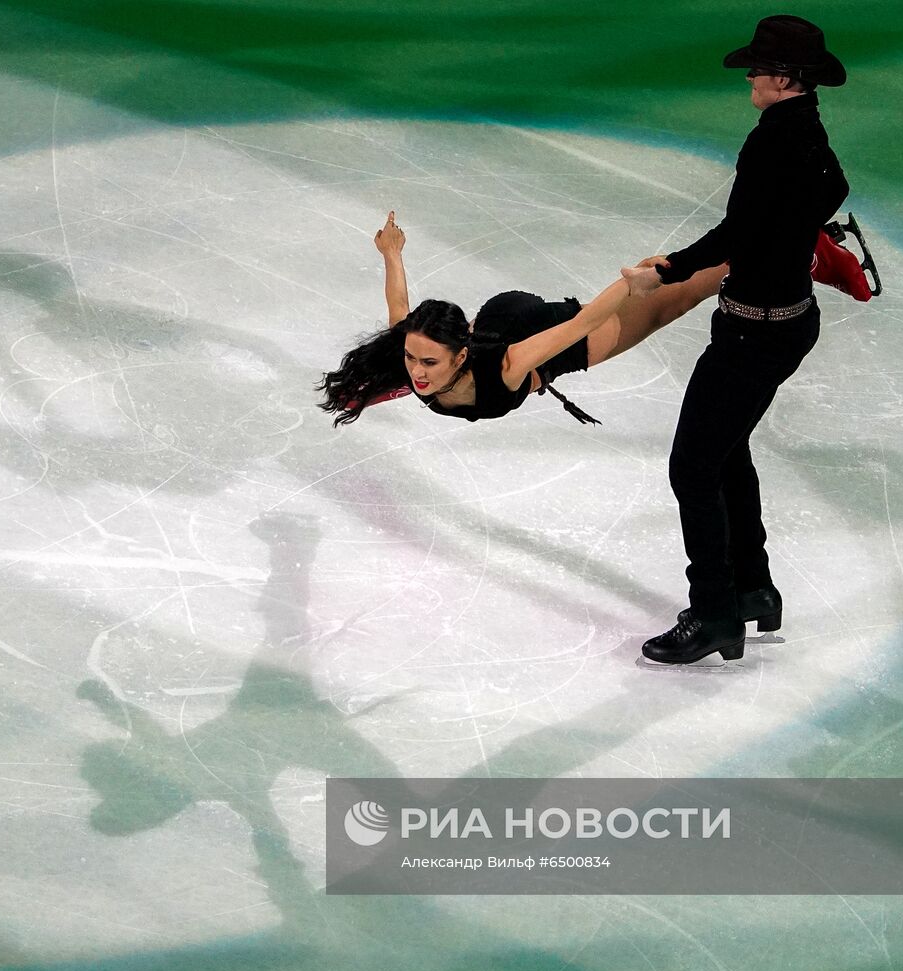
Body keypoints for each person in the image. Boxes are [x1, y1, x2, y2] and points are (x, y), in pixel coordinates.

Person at [634, 15, 853, 665]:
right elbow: (832, 189)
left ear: (785, 78)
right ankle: (752, 589)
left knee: (692, 467)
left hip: (752, 332)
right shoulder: (807, 127)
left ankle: (715, 616)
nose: (750, 78)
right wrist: (788, 234)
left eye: (759, 69)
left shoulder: (771, 142)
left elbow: (735, 233)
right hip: (790, 321)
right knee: (724, 452)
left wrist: (665, 269)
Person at [319, 208, 870, 428]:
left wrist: (635, 282)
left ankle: (803, 245)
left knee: (677, 295)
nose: (416, 371)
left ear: (459, 356)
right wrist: (391, 253)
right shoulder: (417, 351)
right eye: (414, 359)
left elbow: (577, 329)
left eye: (427, 362)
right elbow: (400, 310)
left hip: (540, 330)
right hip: (495, 316)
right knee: (668, 291)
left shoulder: (507, 367)